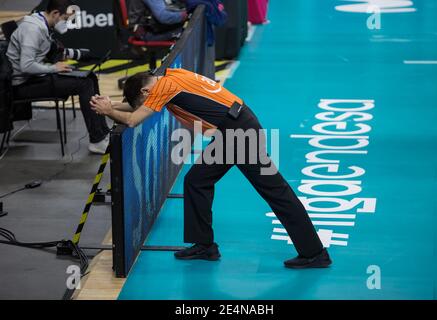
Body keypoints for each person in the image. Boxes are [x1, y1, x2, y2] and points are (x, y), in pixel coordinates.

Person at [90, 68, 332, 269]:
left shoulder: (163, 89)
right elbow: (138, 108)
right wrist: (112, 105)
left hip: (239, 133)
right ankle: (204, 246)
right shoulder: (171, 77)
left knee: (275, 191)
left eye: (144, 99)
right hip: (235, 128)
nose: (148, 104)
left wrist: (108, 112)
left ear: (146, 90)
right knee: (196, 181)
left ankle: (314, 252)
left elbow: (134, 119)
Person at [6, 0, 110, 154]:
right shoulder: (33, 29)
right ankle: (96, 141)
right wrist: (54, 68)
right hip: (21, 86)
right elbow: (26, 66)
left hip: (35, 77)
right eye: (66, 19)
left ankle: (102, 132)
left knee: (90, 77)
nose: (67, 23)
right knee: (84, 84)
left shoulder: (43, 24)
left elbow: (51, 51)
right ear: (55, 13)